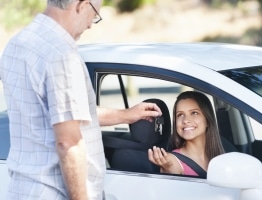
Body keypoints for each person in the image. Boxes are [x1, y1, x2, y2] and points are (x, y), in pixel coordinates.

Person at [0, 0, 161, 199]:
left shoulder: (17, 44)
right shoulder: (61, 55)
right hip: (53, 192)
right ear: (81, 5)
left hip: (23, 190)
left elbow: (61, 114)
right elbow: (69, 142)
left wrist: (126, 115)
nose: (90, 24)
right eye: (94, 15)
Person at [148, 91, 224, 177]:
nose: (185, 120)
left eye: (194, 113)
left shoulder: (220, 156)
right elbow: (171, 168)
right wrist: (168, 167)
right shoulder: (172, 160)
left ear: (207, 120)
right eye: (180, 115)